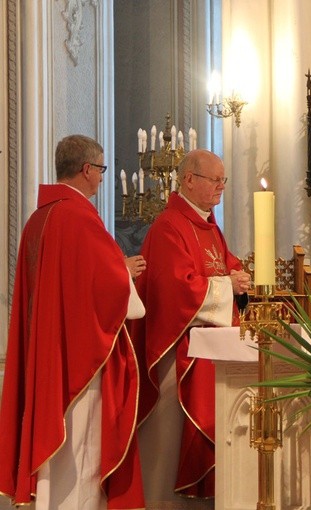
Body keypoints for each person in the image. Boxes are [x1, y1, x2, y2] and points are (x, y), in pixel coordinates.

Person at [0, 135, 145, 509]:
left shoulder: (40, 218)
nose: (101, 179)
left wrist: (114, 269)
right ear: (87, 170)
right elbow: (103, 286)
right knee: (81, 454)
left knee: (58, 457)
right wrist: (124, 270)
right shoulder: (79, 217)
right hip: (79, 366)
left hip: (49, 356)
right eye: (101, 170)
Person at [131, 149, 250, 500]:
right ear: (188, 180)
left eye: (224, 180)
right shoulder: (170, 226)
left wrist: (241, 282)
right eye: (215, 180)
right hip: (176, 352)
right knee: (169, 442)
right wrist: (230, 285)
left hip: (209, 352)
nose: (221, 187)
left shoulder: (209, 227)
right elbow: (177, 289)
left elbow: (226, 268)